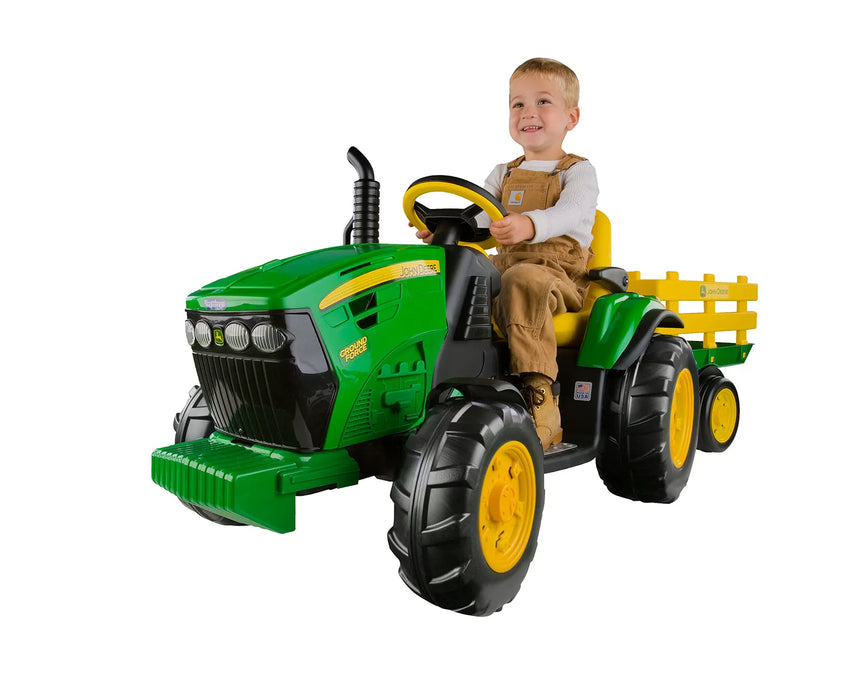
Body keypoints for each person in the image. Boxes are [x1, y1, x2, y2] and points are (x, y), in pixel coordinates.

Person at [416, 57, 599, 449]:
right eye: (518, 104)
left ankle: (539, 393)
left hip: (557, 272)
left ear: (572, 116)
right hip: (506, 262)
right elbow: (479, 219)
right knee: (445, 275)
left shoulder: (577, 171)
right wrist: (445, 232)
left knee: (521, 282)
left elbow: (573, 212)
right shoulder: (503, 173)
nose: (528, 112)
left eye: (543, 102)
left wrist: (529, 225)